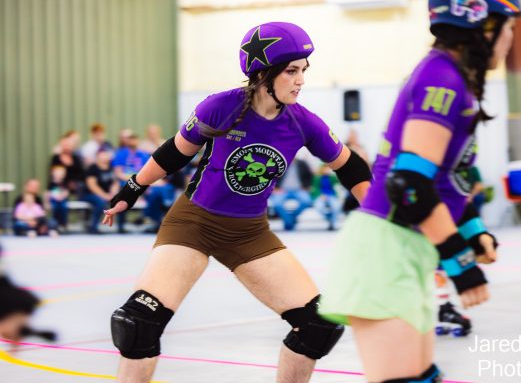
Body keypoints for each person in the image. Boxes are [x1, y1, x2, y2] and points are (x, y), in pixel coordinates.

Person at [102, 22, 372, 383]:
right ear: (262, 73)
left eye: (304, 71)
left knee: (317, 326)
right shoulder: (220, 107)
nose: (300, 81)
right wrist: (132, 188)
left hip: (250, 233)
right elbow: (174, 154)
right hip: (193, 225)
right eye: (292, 71)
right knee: (139, 323)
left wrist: (379, 216)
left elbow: (351, 167)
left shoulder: (303, 123)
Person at [319, 0, 521, 382]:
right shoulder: (442, 78)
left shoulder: (451, 76)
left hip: (405, 247)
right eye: (508, 27)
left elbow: (443, 179)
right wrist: (460, 263)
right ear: (483, 26)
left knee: (422, 377)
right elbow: (409, 185)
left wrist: (473, 231)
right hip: (386, 247)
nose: (510, 38)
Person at [81, 148, 119, 234]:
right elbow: (92, 185)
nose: (105, 156)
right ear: (97, 156)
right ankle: (93, 227)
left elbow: (115, 183)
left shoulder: (111, 168)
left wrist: (113, 194)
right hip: (88, 194)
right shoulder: (93, 168)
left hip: (106, 195)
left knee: (122, 200)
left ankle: (121, 227)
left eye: (106, 154)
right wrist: (105, 196)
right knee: (100, 202)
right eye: (102, 154)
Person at [271, 158, 314, 231]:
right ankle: (290, 221)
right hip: (282, 190)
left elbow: (309, 175)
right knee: (277, 203)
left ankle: (290, 220)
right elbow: (272, 176)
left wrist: (307, 186)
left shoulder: (302, 163)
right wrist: (275, 188)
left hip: (299, 190)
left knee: (307, 201)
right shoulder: (280, 163)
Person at [312, 164, 342, 231]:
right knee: (319, 207)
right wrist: (320, 195)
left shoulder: (333, 177)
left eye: (328, 168)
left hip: (331, 195)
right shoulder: (317, 178)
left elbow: (338, 185)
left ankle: (333, 223)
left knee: (336, 207)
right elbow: (315, 189)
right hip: (321, 196)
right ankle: (330, 218)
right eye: (325, 168)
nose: (326, 170)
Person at [46, 165, 70, 231]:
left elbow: (66, 192)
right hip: (54, 200)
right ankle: (55, 224)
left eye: (60, 174)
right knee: (55, 208)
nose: (59, 175)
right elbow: (48, 193)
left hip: (62, 200)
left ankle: (63, 223)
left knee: (63, 207)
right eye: (57, 173)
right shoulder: (51, 183)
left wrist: (61, 197)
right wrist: (47, 202)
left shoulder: (64, 183)